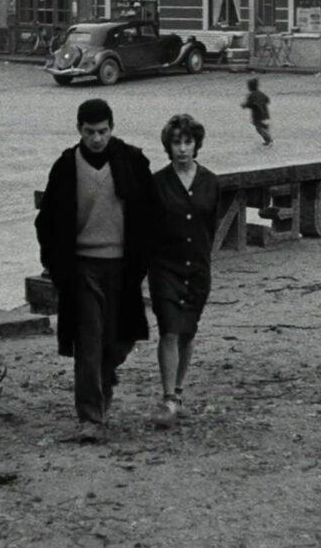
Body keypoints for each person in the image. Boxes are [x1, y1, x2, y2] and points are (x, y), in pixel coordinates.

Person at [35, 98, 157, 441]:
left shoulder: (132, 161)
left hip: (124, 266)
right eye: (90, 132)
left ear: (112, 128)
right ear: (79, 131)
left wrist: (144, 259)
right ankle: (90, 417)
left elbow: (150, 213)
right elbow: (47, 220)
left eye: (103, 131)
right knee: (88, 340)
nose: (97, 139)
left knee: (121, 339)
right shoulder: (65, 166)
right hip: (82, 266)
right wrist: (55, 264)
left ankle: (106, 375)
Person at [148, 114, 221, 427]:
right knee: (169, 329)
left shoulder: (211, 182)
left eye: (187, 141)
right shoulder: (157, 183)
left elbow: (211, 225)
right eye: (176, 142)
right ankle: (168, 399)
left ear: (196, 144)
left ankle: (179, 391)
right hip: (165, 267)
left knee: (188, 330)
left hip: (198, 268)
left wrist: (204, 259)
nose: (182, 148)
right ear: (168, 145)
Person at [241, 77, 273, 145]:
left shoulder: (251, 95)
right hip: (265, 113)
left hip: (257, 114)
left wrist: (244, 105)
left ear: (250, 87)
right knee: (262, 126)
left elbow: (249, 104)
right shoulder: (261, 93)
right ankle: (267, 137)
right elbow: (267, 100)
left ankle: (268, 139)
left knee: (259, 128)